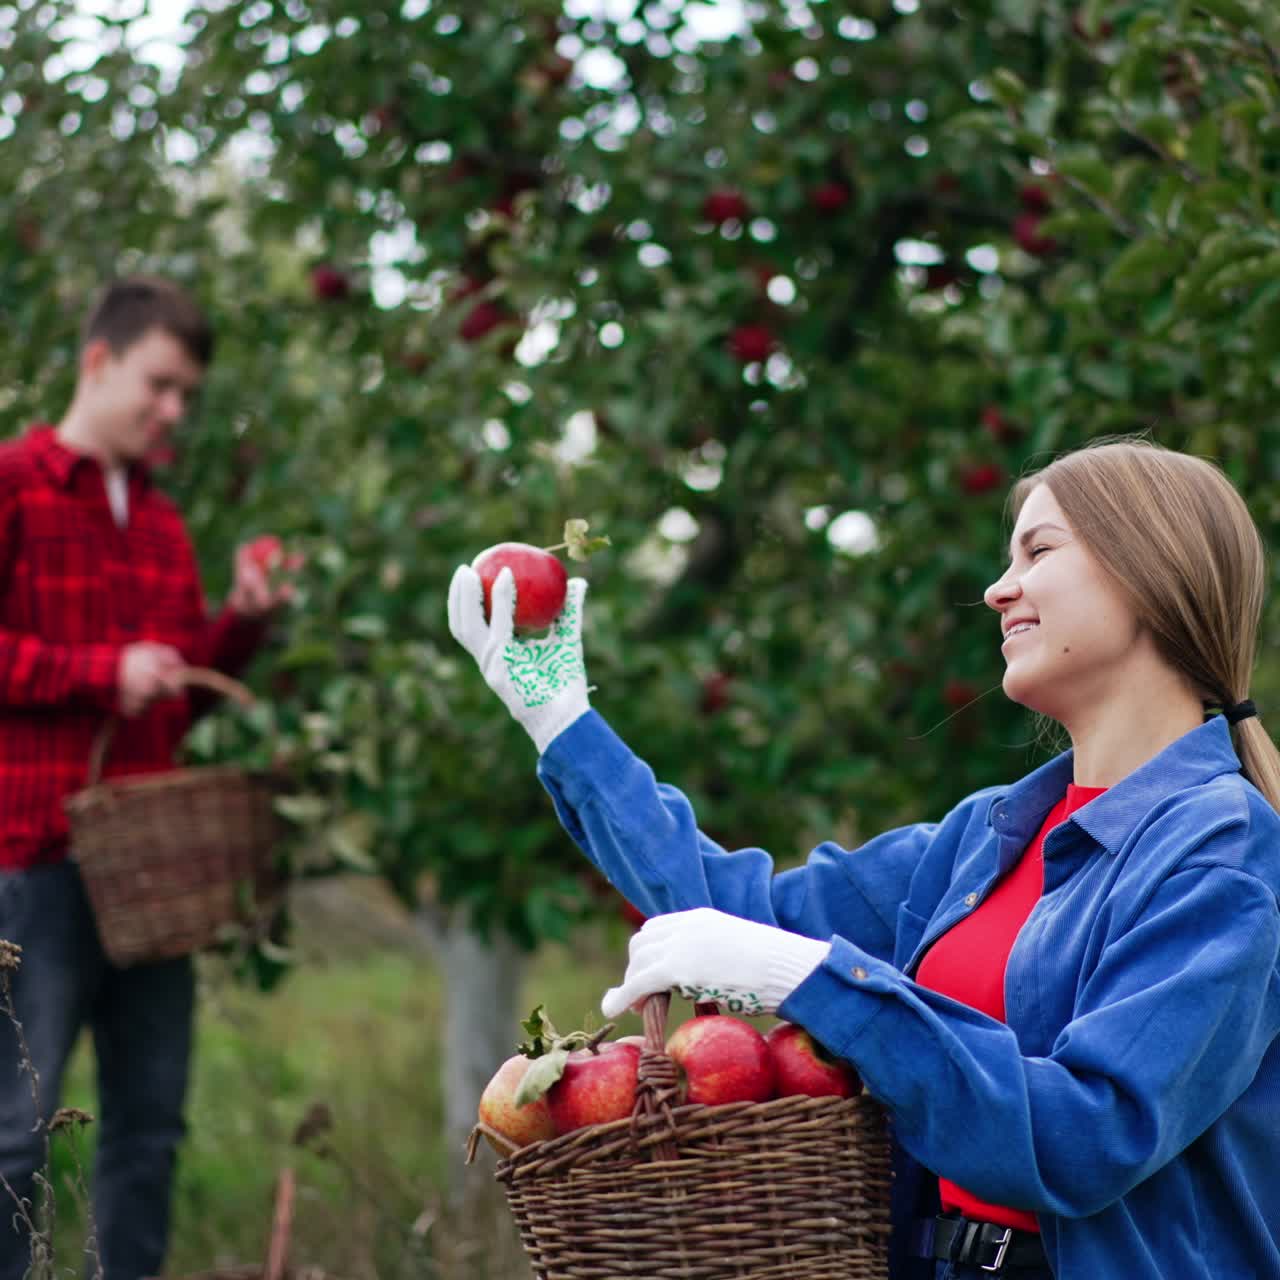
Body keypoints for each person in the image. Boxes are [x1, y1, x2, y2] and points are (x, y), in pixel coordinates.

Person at [448, 437, 1280, 1280]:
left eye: (1039, 550)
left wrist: (817, 981)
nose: (999, 589)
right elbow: (733, 909)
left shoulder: (1221, 854)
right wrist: (564, 724)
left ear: (1150, 571)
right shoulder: (984, 839)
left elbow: (1088, 1134)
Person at [0, 277, 296, 1280]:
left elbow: (175, 703)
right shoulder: (14, 485)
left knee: (148, 1130)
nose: (173, 411)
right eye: (159, 385)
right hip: (33, 860)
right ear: (98, 361)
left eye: (185, 395)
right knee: (13, 1134)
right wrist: (95, 672)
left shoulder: (163, 525)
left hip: (150, 878)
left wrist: (242, 622)